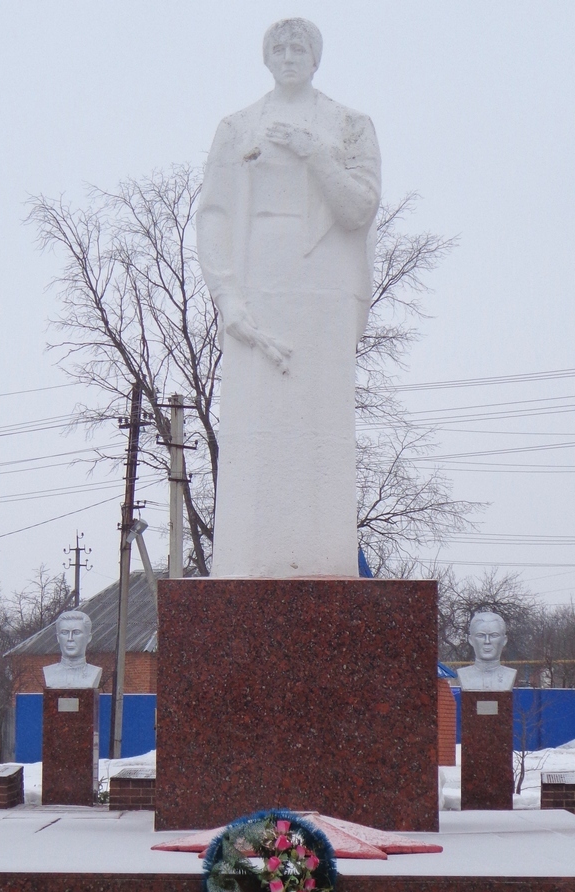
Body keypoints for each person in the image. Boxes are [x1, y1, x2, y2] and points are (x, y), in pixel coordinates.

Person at [197, 17, 381, 578]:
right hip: (260, 285)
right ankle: (253, 561)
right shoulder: (236, 128)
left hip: (324, 285)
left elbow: (358, 209)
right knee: (257, 431)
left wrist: (314, 154)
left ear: (317, 56)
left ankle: (322, 559)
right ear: (266, 57)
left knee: (321, 426)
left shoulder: (350, 126)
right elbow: (215, 217)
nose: (289, 53)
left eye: (300, 45)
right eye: (279, 46)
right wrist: (228, 297)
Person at [457, 611, 517, 691]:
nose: (487, 641)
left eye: (494, 635)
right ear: (471, 640)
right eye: (481, 635)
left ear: (504, 640)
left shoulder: (510, 674)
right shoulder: (463, 674)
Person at [43, 611, 103, 689]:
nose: (70, 638)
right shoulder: (49, 672)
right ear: (58, 638)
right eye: (64, 633)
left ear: (88, 638)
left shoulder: (94, 672)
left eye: (76, 632)